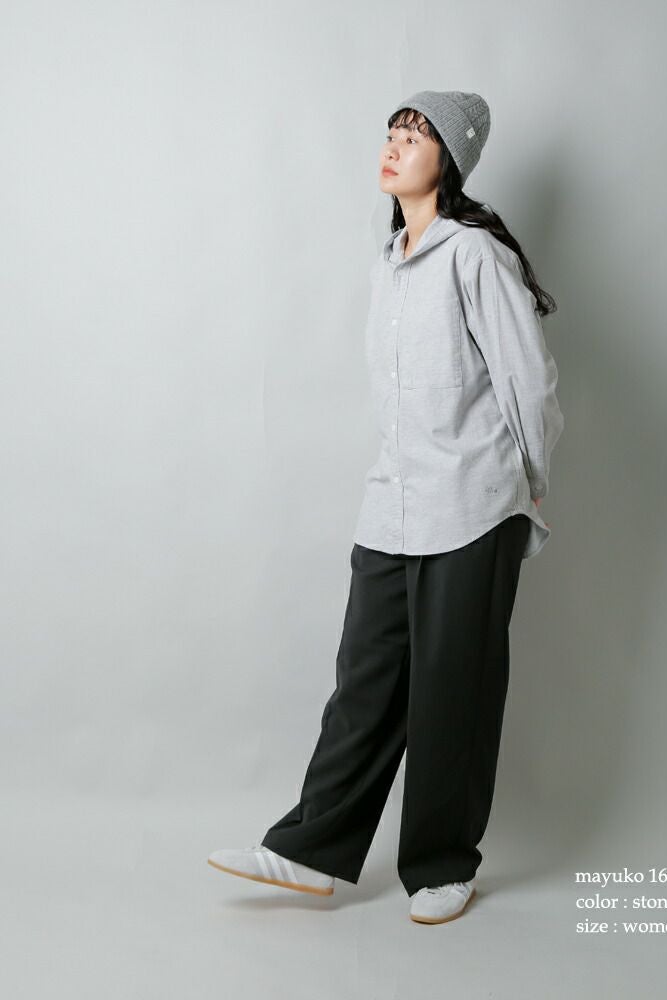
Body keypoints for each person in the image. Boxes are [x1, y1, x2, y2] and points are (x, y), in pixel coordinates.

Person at [208, 90, 565, 925]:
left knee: (453, 691)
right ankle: (312, 852)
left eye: (418, 135)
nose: (397, 145)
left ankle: (443, 864)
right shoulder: (390, 261)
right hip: (394, 502)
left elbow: (530, 380)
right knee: (364, 684)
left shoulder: (473, 254)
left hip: (474, 503)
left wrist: (527, 486)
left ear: (452, 160)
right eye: (394, 131)